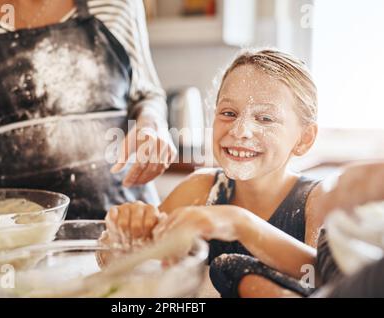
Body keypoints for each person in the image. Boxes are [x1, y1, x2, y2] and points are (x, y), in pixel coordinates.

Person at [104, 48, 323, 297]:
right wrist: (124, 234)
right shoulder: (200, 189)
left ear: (304, 139)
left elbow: (327, 277)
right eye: (228, 113)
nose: (240, 131)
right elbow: (118, 266)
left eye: (265, 118)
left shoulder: (317, 201)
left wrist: (240, 223)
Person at [0, 0, 176, 219]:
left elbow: (146, 95)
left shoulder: (116, 3)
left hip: (126, 225)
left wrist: (152, 127)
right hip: (13, 238)